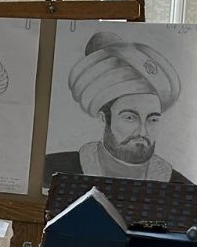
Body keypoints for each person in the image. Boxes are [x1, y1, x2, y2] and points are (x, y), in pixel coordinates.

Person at [43, 30, 189, 183]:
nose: (142, 131)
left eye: (152, 119)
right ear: (103, 118)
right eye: (130, 118)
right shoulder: (53, 170)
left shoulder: (181, 185)